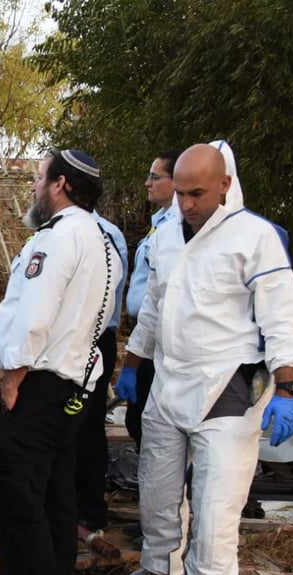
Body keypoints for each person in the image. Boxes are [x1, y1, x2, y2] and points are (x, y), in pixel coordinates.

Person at [106, 141, 293, 575]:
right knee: (156, 486)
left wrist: (285, 388)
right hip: (170, 382)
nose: (188, 202)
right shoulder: (168, 235)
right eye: (182, 191)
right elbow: (153, 305)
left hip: (228, 390)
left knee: (217, 504)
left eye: (198, 192)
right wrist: (133, 363)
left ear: (224, 184)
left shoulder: (254, 239)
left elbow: (282, 318)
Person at [0, 149, 122, 575]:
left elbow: (36, 313)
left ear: (60, 184)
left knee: (17, 500)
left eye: (40, 178)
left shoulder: (58, 237)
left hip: (40, 385)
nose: (35, 188)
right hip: (74, 388)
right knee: (56, 498)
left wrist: (12, 377)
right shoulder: (103, 240)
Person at [74, 210, 128, 537]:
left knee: (86, 424)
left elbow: (97, 300)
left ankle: (89, 510)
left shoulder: (100, 235)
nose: (35, 187)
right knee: (72, 423)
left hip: (89, 342)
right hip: (75, 341)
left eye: (42, 180)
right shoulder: (62, 231)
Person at [122, 150, 182, 445]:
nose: (148, 183)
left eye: (155, 177)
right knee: (139, 420)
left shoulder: (181, 229)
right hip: (146, 334)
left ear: (176, 180)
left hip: (164, 341)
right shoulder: (160, 224)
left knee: (155, 426)